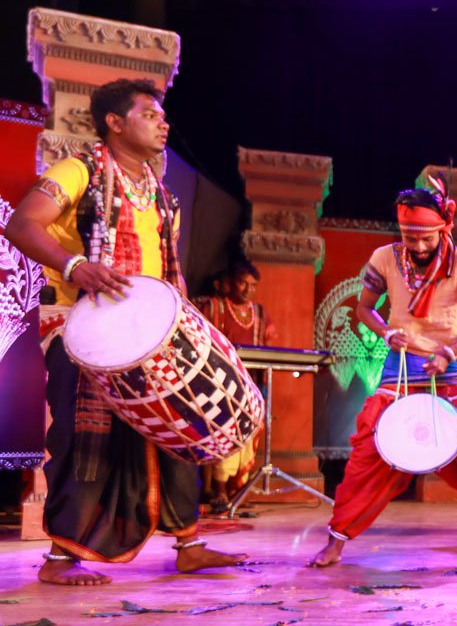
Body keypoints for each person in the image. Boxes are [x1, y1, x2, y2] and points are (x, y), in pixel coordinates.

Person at [4, 79, 245, 585]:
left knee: (177, 428)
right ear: (115, 122)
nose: (164, 123)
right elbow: (22, 224)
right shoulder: (79, 170)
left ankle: (189, 542)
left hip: (148, 334)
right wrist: (75, 266)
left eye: (162, 116)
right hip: (82, 328)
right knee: (87, 436)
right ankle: (60, 557)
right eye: (150, 114)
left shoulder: (160, 192)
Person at [309, 181, 457, 568]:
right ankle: (336, 540)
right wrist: (385, 331)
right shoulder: (384, 258)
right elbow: (366, 309)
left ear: (443, 229)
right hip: (399, 365)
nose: (417, 247)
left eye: (426, 238)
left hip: (451, 365)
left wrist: (449, 351)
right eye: (409, 237)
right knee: (370, 455)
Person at [197, 260, 278, 510]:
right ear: (230, 283)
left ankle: (237, 491)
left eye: (253, 285)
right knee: (224, 434)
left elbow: (271, 345)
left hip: (250, 386)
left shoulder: (261, 313)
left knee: (247, 438)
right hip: (217, 386)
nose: (247, 289)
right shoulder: (213, 306)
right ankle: (219, 491)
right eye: (243, 282)